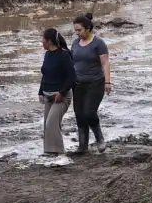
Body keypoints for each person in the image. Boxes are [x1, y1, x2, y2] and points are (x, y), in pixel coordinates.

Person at [68, 12, 111, 154]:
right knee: (79, 114)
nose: (77, 33)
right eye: (75, 30)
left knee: (89, 113)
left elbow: (105, 63)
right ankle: (82, 146)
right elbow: (71, 62)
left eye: (79, 30)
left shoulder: (99, 43)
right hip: (78, 84)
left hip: (95, 83)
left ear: (87, 28)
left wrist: (108, 82)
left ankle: (100, 139)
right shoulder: (75, 43)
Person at [38, 28, 75, 157]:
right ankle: (49, 152)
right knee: (47, 124)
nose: (41, 42)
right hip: (48, 95)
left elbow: (72, 77)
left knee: (51, 123)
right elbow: (45, 75)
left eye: (43, 39)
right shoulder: (47, 55)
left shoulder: (64, 55)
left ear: (49, 41)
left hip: (61, 97)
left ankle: (59, 153)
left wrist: (62, 92)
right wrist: (40, 92)